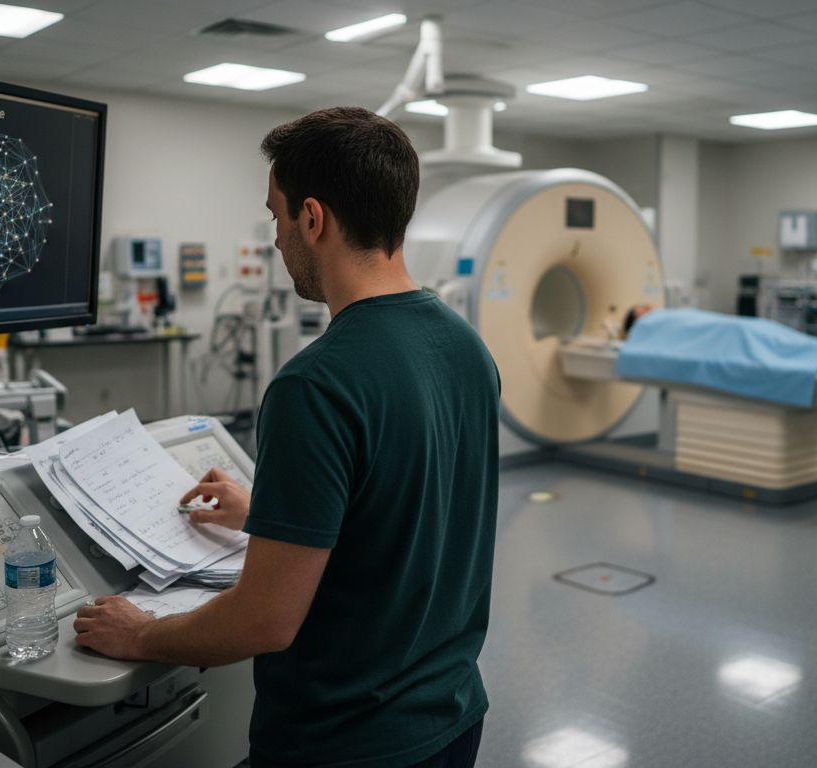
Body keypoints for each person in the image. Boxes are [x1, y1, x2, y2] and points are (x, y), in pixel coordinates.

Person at [73, 107, 501, 768]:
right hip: (449, 720)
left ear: (312, 218)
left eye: (276, 217)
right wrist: (268, 515)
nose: (275, 240)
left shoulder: (317, 384)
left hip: (344, 745)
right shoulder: (467, 348)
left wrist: (144, 634)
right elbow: (411, 509)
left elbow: (264, 620)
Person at [622, 303, 817, 364]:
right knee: (761, 338)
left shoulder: (667, 315)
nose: (651, 307)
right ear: (638, 319)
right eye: (643, 309)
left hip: (721, 327)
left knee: (770, 332)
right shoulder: (647, 328)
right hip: (721, 335)